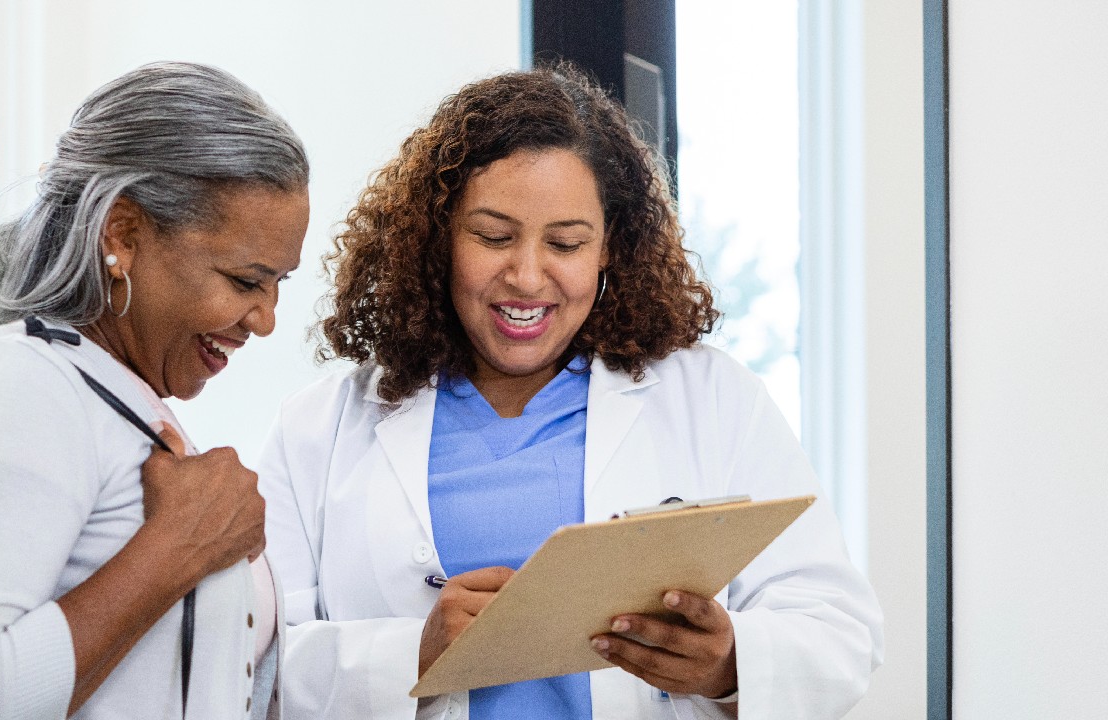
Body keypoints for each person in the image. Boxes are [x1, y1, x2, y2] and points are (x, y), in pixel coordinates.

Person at [257, 65, 883, 719]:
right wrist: (410, 655)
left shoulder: (714, 400)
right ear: (438, 237)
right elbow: (251, 665)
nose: (527, 276)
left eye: (566, 243)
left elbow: (841, 633)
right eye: (493, 236)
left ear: (610, 246)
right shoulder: (319, 429)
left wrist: (729, 665)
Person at [0, 62, 309, 720]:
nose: (266, 319)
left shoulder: (111, 396)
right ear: (123, 234)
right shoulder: (13, 386)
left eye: (279, 284)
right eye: (245, 281)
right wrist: (175, 550)